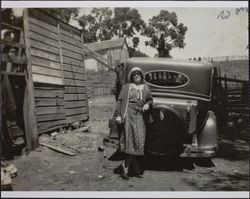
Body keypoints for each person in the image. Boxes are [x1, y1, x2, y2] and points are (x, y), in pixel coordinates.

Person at [113, 67, 153, 179]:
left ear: (141, 76)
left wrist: (148, 104)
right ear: (131, 77)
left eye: (138, 74)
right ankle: (129, 167)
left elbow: (150, 99)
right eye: (134, 75)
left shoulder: (146, 87)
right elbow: (119, 101)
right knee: (130, 142)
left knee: (139, 142)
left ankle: (127, 165)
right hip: (129, 115)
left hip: (141, 116)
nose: (136, 76)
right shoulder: (127, 87)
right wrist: (118, 115)